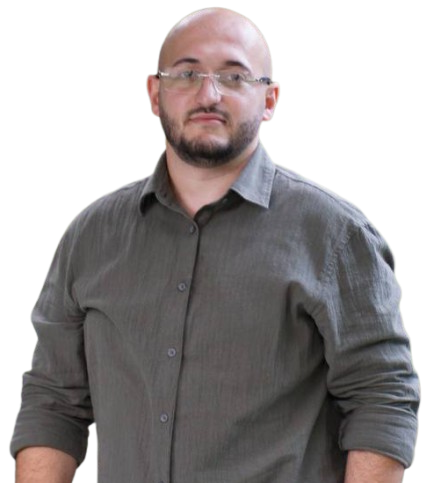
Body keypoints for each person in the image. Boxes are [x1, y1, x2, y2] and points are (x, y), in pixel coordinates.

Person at [10, 6, 420, 483]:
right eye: (186, 74)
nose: (209, 95)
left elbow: (382, 397)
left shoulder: (336, 235)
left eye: (234, 77)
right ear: (154, 93)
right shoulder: (90, 236)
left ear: (269, 99)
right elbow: (53, 402)